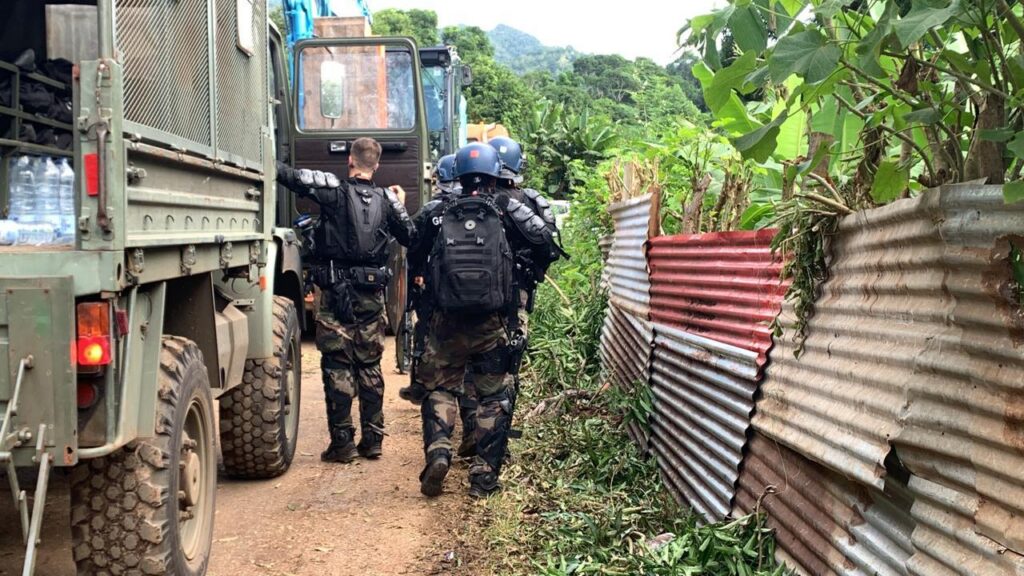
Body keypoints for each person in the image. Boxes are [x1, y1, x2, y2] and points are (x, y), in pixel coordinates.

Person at [409, 143, 555, 498]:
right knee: (494, 396)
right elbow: (546, 243)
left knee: (440, 387)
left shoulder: (437, 210)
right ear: (496, 173)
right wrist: (524, 273)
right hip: (493, 321)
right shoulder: (508, 208)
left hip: (445, 321)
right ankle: (484, 477)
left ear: (457, 174)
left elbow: (412, 246)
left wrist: (425, 283)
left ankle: (439, 451)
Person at [277, 137, 416, 463]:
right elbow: (411, 235)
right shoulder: (388, 200)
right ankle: (373, 439)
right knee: (369, 362)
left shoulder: (334, 191)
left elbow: (291, 177)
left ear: (350, 161)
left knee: (337, 363)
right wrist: (401, 201)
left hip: (336, 293)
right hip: (371, 293)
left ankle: (343, 443)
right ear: (377, 165)